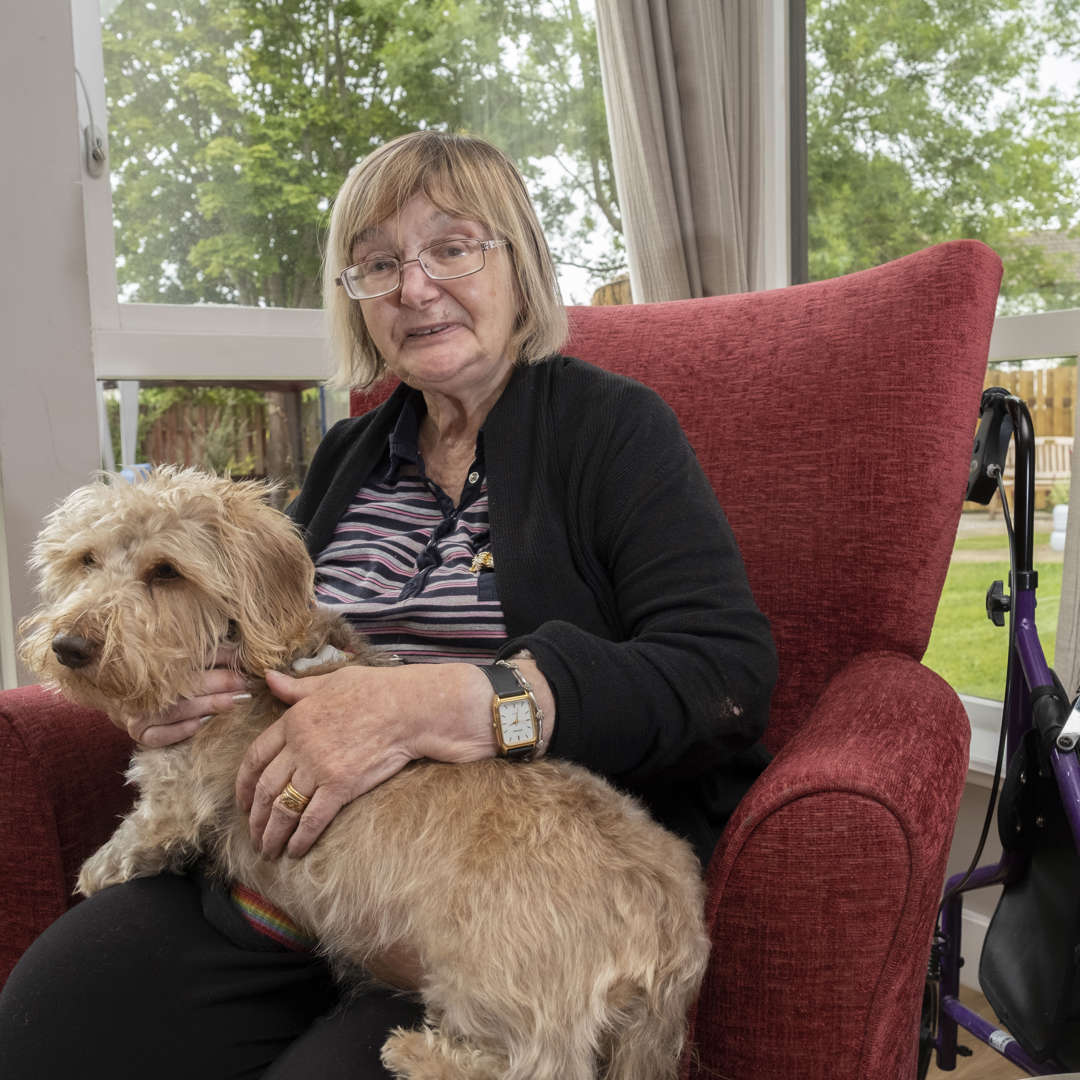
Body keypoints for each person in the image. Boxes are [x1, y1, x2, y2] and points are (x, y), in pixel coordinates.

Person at [0, 130, 777, 1079]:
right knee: (44, 1030)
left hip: (495, 895)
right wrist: (182, 688)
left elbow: (723, 675)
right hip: (287, 879)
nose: (414, 287)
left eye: (451, 247)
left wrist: (452, 703)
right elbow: (266, 631)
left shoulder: (613, 432)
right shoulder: (350, 456)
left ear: (519, 263)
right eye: (378, 264)